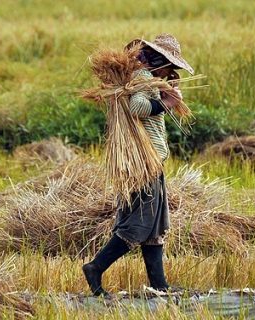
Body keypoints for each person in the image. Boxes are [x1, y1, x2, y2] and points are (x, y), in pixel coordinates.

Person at [82, 33, 194, 297]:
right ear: (159, 60)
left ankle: (159, 285)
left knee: (155, 225)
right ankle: (96, 267)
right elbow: (138, 106)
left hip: (152, 162)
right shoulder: (143, 78)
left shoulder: (148, 78)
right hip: (144, 163)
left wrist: (165, 89)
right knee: (141, 222)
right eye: (170, 66)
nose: (171, 71)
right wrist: (167, 102)